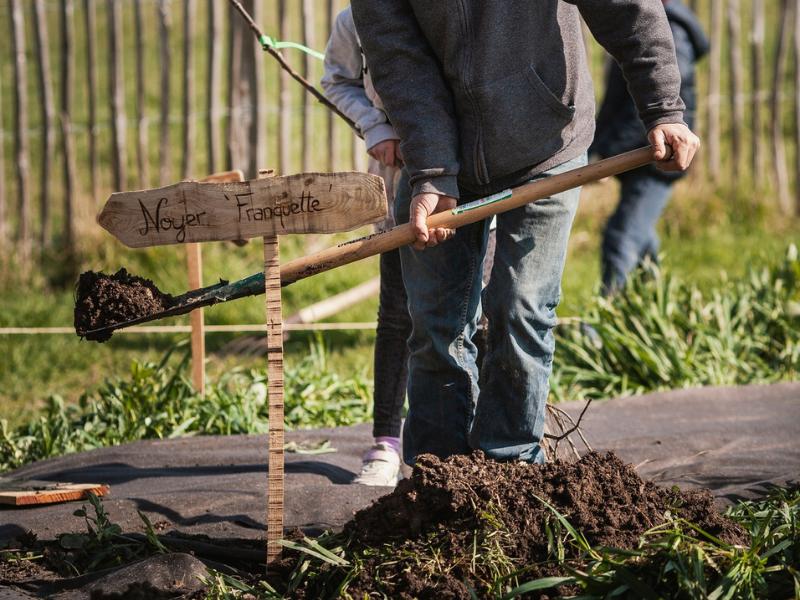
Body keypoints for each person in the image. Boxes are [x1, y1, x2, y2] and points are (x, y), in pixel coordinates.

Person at [351, 0, 700, 466]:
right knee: (436, 328)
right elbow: (399, 60)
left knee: (521, 308)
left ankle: (510, 467)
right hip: (437, 149)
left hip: (546, 144)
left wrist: (663, 108)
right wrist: (434, 172)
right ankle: (437, 479)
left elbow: (626, 8)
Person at [321, 6, 409, 486]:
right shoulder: (357, 17)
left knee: (479, 315)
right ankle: (387, 443)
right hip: (398, 186)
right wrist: (377, 127)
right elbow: (338, 80)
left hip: (474, 185)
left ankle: (468, 440)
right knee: (398, 314)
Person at [591, 0, 710, 295]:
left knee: (622, 235)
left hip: (655, 157)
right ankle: (655, 310)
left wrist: (607, 153)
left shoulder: (670, 31)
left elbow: (654, 102)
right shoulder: (639, 22)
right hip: (640, 153)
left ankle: (604, 323)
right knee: (641, 240)